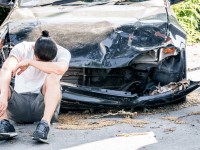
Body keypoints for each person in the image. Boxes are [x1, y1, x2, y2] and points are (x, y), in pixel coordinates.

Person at [0, 30, 71, 143]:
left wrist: (30, 62)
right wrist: (3, 95)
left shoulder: (63, 52)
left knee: (53, 77)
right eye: (39, 59)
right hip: (19, 106)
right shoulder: (22, 48)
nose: (42, 64)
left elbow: (61, 68)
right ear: (33, 49)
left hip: (43, 106)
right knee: (3, 78)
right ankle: (4, 124)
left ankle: (44, 126)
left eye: (47, 62)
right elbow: (6, 69)